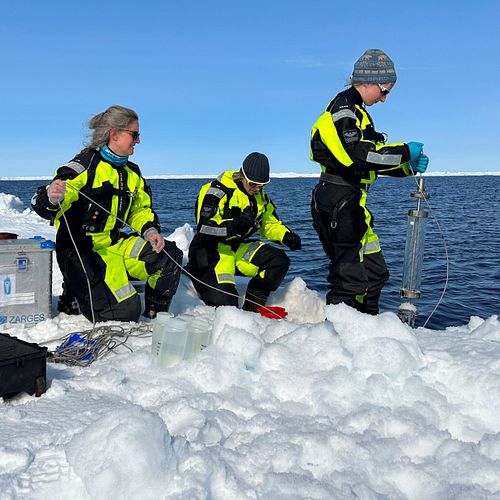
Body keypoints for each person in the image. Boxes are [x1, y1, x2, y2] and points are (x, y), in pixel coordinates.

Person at [31, 105, 183, 323]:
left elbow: (139, 210)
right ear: (114, 134)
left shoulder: (132, 173)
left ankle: (154, 318)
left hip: (114, 245)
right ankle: (74, 290)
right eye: (134, 134)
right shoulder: (83, 167)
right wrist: (53, 196)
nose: (138, 141)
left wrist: (150, 231)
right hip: (83, 253)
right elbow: (43, 204)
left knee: (169, 256)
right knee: (125, 312)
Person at [310, 49, 429, 315]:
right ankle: (337, 337)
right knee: (348, 279)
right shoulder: (342, 110)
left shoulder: (359, 113)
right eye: (385, 91)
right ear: (368, 81)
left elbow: (371, 164)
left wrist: (406, 169)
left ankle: (367, 326)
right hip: (337, 202)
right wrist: (405, 152)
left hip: (353, 203)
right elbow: (357, 156)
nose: (385, 99)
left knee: (375, 274)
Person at [187, 152, 302, 312]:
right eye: (254, 184)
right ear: (243, 176)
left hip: (237, 248)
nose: (257, 188)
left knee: (279, 261)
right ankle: (198, 274)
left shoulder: (260, 197)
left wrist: (286, 237)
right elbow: (205, 229)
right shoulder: (217, 192)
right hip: (211, 252)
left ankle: (253, 309)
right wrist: (236, 226)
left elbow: (269, 223)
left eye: (262, 185)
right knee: (227, 305)